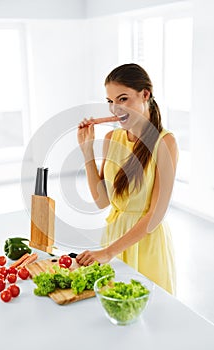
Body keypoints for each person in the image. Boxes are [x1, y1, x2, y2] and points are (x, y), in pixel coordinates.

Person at [76, 63, 178, 294]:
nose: (115, 109)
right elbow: (102, 201)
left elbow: (155, 215)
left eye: (123, 99)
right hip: (113, 239)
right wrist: (87, 151)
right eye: (110, 101)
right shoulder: (112, 137)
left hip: (146, 244)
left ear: (145, 94)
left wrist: (108, 252)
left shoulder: (165, 143)